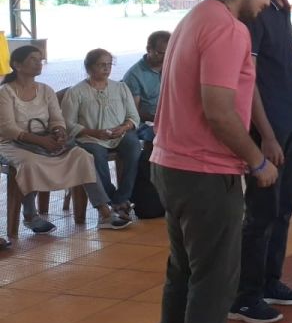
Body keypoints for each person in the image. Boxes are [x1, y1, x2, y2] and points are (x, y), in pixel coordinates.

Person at [150, 0, 282, 323]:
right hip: (206, 172)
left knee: (183, 274)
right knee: (213, 283)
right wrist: (256, 161)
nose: (268, 3)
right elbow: (219, 110)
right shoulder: (229, 28)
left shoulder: (196, 18)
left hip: (170, 164)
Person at [230, 0, 292, 323]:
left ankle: (269, 281)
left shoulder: (281, 6)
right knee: (261, 213)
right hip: (267, 130)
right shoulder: (257, 13)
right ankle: (244, 296)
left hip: (286, 122)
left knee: (284, 208)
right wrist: (268, 135)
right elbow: (250, 79)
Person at [0, 45, 130, 234]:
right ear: (17, 65)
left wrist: (59, 132)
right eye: (33, 60)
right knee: (29, 163)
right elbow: (7, 128)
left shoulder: (45, 90)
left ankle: (104, 213)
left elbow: (56, 118)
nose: (39, 63)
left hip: (45, 139)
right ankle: (30, 215)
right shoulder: (5, 92)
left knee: (82, 156)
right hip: (12, 143)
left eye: (40, 59)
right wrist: (41, 141)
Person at [61, 48, 142, 222]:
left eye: (109, 64)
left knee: (134, 147)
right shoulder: (76, 92)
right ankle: (112, 199)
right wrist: (94, 132)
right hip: (90, 136)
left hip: (120, 134)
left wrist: (124, 127)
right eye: (101, 65)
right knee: (96, 154)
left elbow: (134, 117)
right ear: (89, 68)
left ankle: (122, 197)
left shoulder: (120, 87)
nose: (106, 68)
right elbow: (68, 123)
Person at [124, 30, 169, 141]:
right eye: (162, 53)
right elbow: (133, 112)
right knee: (161, 135)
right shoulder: (134, 75)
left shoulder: (171, 66)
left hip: (169, 118)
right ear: (149, 49)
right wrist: (160, 119)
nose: (167, 56)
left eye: (170, 52)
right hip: (145, 123)